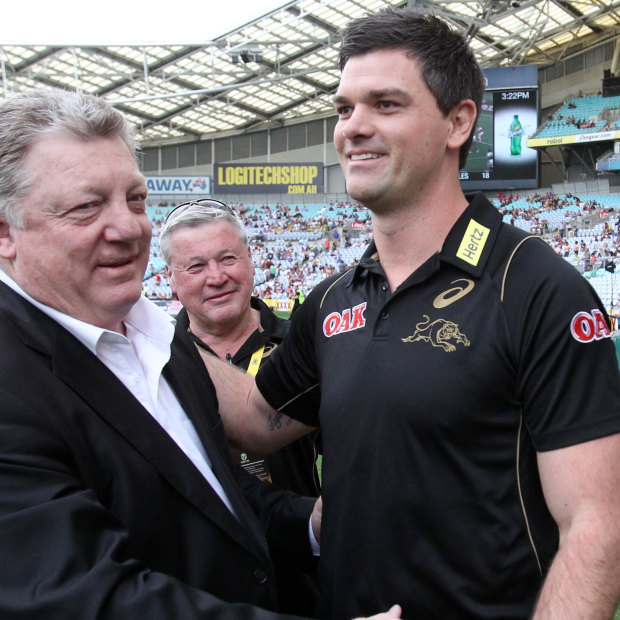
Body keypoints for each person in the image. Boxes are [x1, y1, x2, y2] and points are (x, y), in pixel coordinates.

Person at [200, 7, 620, 620]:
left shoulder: (535, 288)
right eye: (345, 109)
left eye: (386, 105)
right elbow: (257, 418)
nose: (353, 128)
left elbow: (595, 524)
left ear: (458, 122)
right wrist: (139, 317)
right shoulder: (332, 299)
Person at [0, 88, 400, 620]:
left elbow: (218, 494)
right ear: (7, 233)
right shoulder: (12, 378)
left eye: (136, 199)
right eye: (86, 207)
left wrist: (313, 522)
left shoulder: (161, 341)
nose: (128, 228)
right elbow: (79, 594)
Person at [159, 199, 321, 616]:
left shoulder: (306, 350)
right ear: (170, 281)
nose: (217, 277)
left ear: (250, 260)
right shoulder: (150, 363)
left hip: (307, 573)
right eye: (195, 267)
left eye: (228, 258)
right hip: (197, 587)